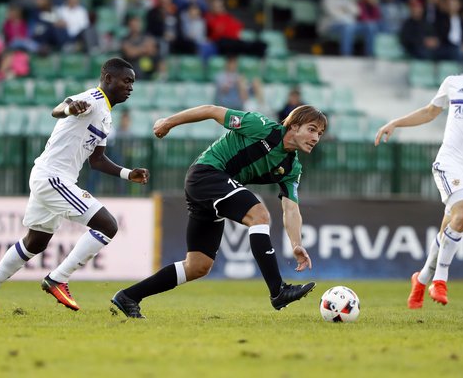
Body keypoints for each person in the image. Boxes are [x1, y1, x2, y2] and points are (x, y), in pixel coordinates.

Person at [0, 57, 150, 318]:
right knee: (108, 225)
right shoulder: (93, 99)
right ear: (108, 78)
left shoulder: (106, 114)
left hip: (51, 177)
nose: (130, 87)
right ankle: (58, 278)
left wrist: (126, 173)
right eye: (126, 80)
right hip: (54, 178)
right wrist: (69, 109)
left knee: (36, 241)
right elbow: (59, 108)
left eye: (133, 82)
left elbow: (96, 161)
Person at [111, 104, 327, 318]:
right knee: (259, 215)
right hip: (206, 174)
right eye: (311, 129)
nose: (316, 138)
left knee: (197, 266)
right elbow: (212, 110)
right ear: (294, 126)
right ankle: (278, 290)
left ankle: (128, 296)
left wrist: (296, 244)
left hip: (214, 188)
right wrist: (168, 122)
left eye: (320, 133)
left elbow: (291, 209)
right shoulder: (261, 126)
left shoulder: (292, 168)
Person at [374, 24, 463, 308]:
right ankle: (440, 280)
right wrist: (395, 122)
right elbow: (430, 112)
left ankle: (420, 280)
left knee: (451, 225)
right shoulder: (454, 83)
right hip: (450, 161)